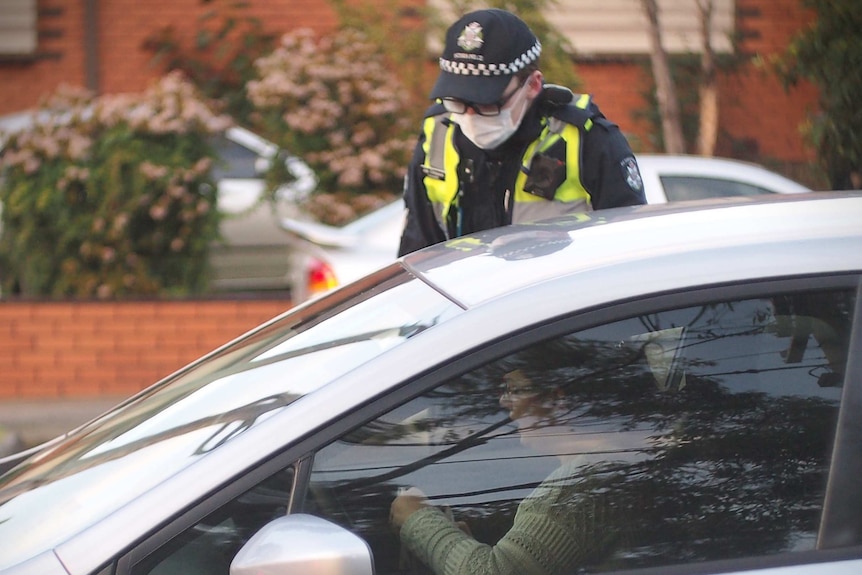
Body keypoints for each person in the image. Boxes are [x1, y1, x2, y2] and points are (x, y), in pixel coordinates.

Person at [398, 9, 646, 257]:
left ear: (533, 84)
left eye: (488, 103)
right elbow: (417, 250)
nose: (470, 116)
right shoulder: (438, 132)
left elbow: (629, 248)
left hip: (565, 292)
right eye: (458, 102)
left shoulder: (587, 138)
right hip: (468, 293)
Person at [390, 369, 619, 575]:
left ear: (555, 399)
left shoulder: (577, 488)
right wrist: (462, 546)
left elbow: (496, 572)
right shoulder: (610, 460)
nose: (503, 401)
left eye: (514, 390)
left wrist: (416, 518)